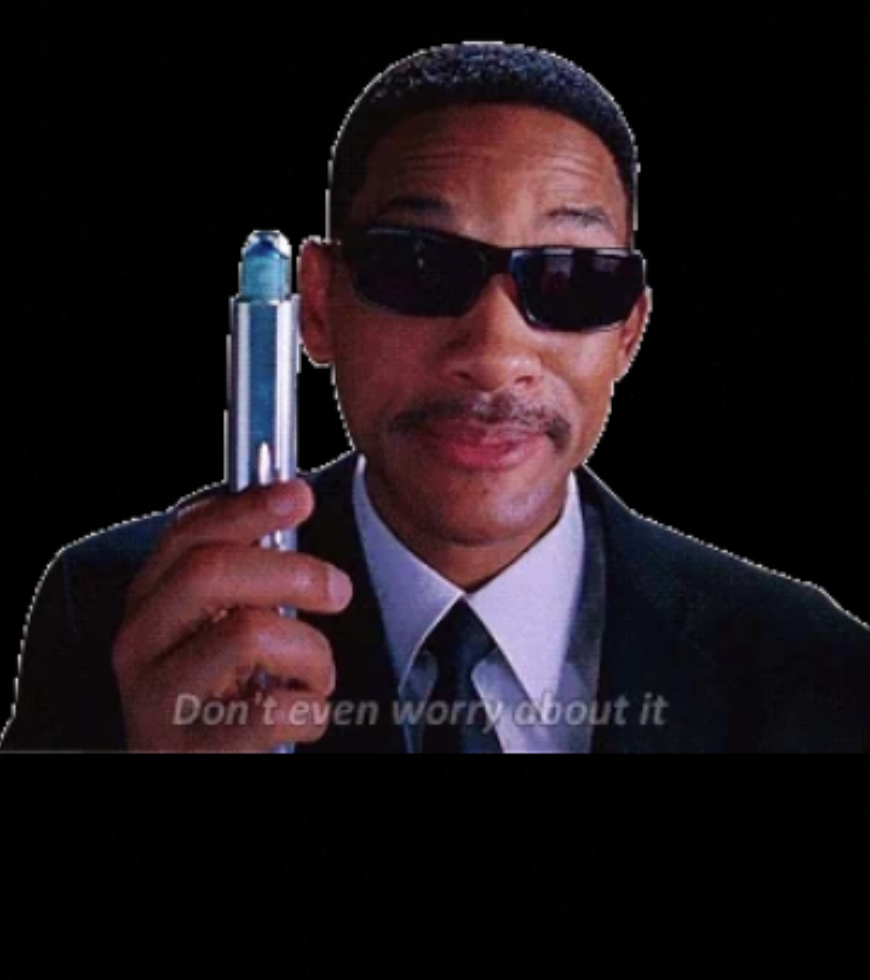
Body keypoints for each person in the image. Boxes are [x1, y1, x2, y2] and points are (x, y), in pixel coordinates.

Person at [2, 42, 867, 754]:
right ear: (318, 305)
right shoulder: (119, 617)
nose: (493, 356)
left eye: (570, 280)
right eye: (418, 265)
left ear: (629, 332)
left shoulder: (814, 665)